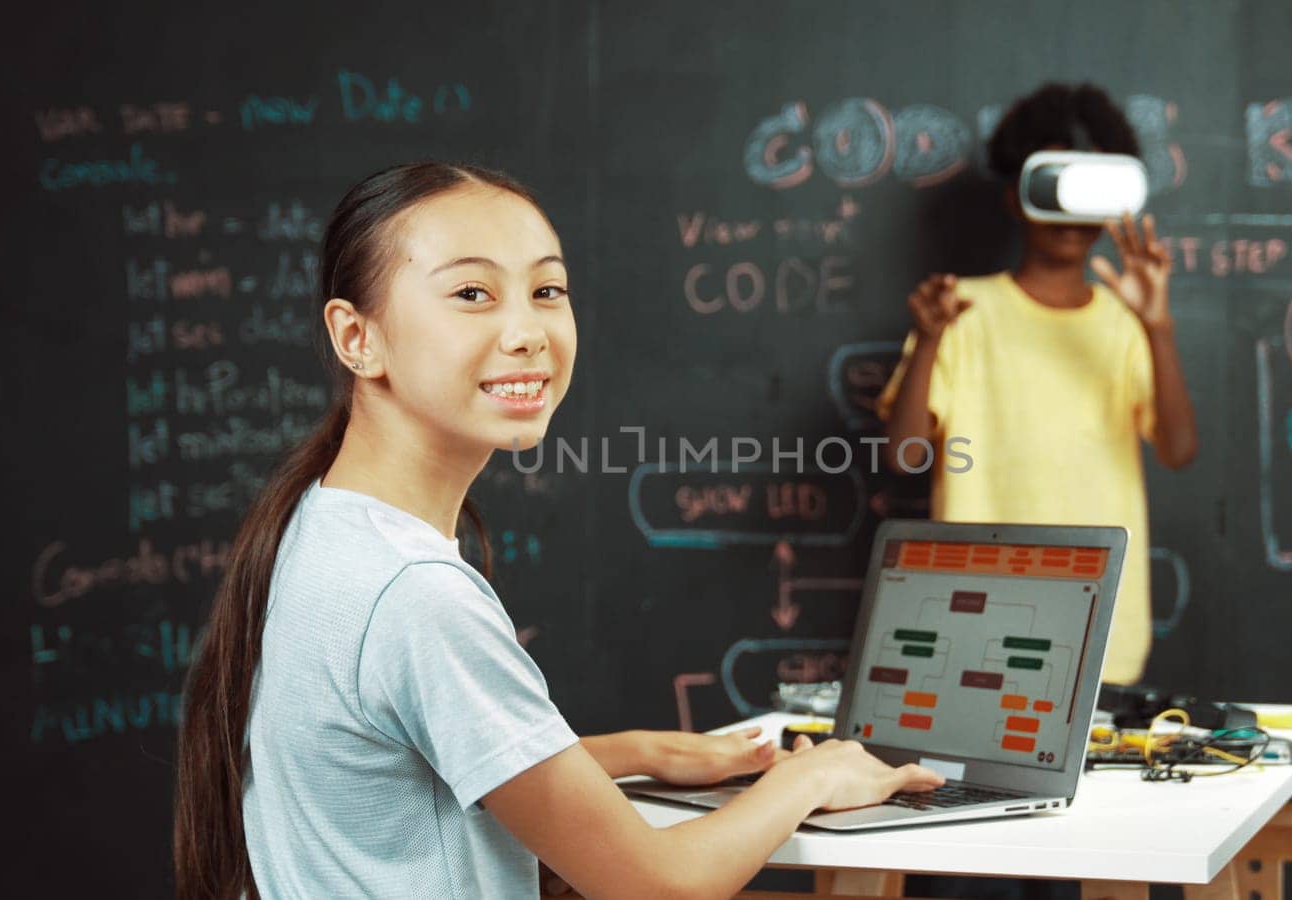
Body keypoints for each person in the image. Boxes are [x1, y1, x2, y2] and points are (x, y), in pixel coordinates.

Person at [172, 162, 943, 899]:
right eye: (473, 293)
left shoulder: (320, 524)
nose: (528, 332)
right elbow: (656, 885)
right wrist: (810, 776)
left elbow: (411, 768)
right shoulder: (415, 596)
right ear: (356, 337)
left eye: (547, 290)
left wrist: (645, 753)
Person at [879, 82, 1198, 691]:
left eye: (1089, 191)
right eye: (1054, 187)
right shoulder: (961, 309)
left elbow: (1180, 450)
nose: (1071, 213)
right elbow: (904, 453)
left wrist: (1159, 328)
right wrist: (927, 340)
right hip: (973, 609)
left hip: (1099, 616)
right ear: (1015, 197)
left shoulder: (1125, 323)